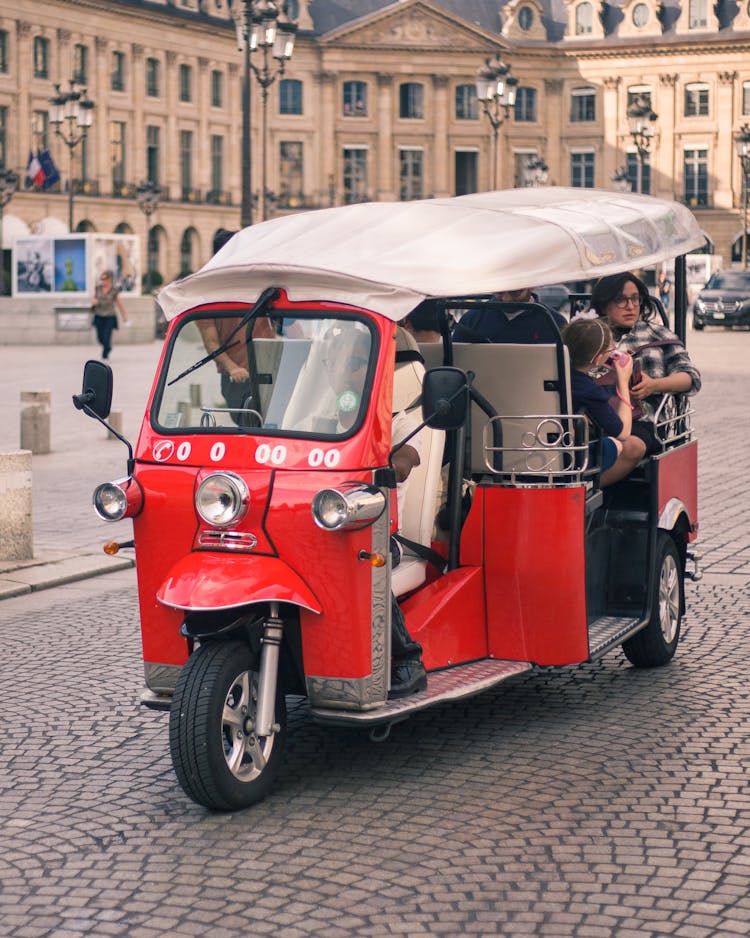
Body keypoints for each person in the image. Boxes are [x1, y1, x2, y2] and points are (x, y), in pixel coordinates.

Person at [324, 326, 427, 698]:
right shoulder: (324, 417)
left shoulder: (405, 419)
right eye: (343, 364)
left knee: (366, 562)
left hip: (386, 533)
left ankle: (406, 659)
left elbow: (405, 460)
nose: (348, 373)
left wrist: (384, 463)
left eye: (358, 364)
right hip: (331, 525)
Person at [589, 271, 701, 484]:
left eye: (635, 299)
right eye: (621, 300)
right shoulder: (589, 335)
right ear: (604, 304)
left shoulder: (658, 335)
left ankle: (581, 496)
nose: (630, 306)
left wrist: (654, 385)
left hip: (641, 420)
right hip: (592, 416)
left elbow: (691, 379)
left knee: (632, 446)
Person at [562, 317, 634, 485]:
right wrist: (623, 381)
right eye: (611, 348)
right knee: (616, 444)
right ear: (597, 359)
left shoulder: (547, 372)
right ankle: (584, 486)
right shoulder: (589, 390)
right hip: (567, 460)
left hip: (534, 449)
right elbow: (623, 432)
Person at [452, 286, 566, 343]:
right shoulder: (471, 319)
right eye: (499, 291)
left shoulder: (555, 322)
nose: (506, 298)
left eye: (515, 292)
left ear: (531, 286)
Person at [91, 270, 128, 359]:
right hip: (99, 315)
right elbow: (94, 298)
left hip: (110, 316)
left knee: (107, 335)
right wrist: (94, 301)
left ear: (109, 279)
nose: (103, 281)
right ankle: (108, 347)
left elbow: (119, 304)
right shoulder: (98, 288)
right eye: (101, 279)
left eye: (104, 279)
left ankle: (105, 354)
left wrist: (124, 316)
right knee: (100, 337)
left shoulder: (113, 291)